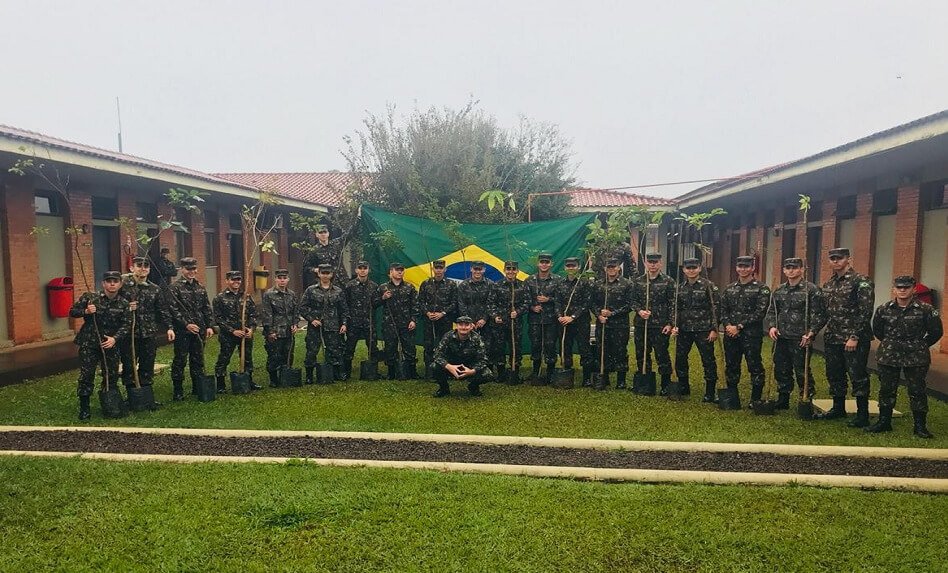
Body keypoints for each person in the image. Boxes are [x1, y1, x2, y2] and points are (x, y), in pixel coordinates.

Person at [867, 275, 943, 437]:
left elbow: (936, 332)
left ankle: (920, 426)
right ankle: (884, 422)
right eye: (899, 287)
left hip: (916, 356)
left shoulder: (926, 310)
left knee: (917, 391)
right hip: (889, 354)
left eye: (906, 287)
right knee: (887, 389)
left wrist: (920, 345)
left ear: (913, 289)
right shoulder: (883, 309)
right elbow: (878, 330)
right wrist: (891, 343)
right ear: (893, 289)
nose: (902, 290)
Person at [818, 247, 875, 425]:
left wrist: (855, 336)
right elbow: (824, 312)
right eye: (832, 258)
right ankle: (838, 408)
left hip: (853, 339)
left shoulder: (861, 281)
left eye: (840, 258)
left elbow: (866, 311)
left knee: (857, 375)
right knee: (835, 374)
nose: (836, 261)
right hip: (833, 337)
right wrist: (813, 330)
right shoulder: (829, 284)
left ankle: (862, 414)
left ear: (848, 259)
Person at [764, 257, 826, 409]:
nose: (791, 270)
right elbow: (772, 311)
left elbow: (819, 314)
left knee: (802, 370)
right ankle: (783, 398)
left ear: (802, 269)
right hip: (781, 337)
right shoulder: (779, 290)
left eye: (795, 267)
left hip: (800, 337)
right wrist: (772, 326)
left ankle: (805, 399)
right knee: (781, 368)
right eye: (788, 268)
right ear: (784, 270)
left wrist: (811, 332)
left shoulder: (811, 290)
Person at [70, 271, 130, 420]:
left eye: (115, 281)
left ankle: (110, 404)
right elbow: (72, 311)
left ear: (120, 284)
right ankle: (85, 408)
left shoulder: (124, 303)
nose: (112, 284)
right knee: (87, 375)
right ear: (103, 283)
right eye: (108, 281)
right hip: (89, 343)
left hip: (110, 344)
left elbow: (126, 324)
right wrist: (86, 311)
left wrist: (115, 339)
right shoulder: (90, 298)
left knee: (111, 375)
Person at [119, 257, 174, 405]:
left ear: (149, 269)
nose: (143, 269)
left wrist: (169, 327)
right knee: (129, 364)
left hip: (148, 333)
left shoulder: (154, 289)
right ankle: (132, 397)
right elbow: (112, 302)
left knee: (147, 363)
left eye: (146, 266)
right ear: (132, 268)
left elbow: (162, 309)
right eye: (139, 266)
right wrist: (127, 308)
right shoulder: (123, 286)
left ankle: (147, 396)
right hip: (129, 333)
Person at [719, 255, 770, 403]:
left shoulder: (761, 288)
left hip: (751, 335)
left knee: (754, 365)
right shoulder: (729, 289)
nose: (743, 269)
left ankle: (755, 399)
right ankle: (732, 397)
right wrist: (728, 326)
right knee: (731, 365)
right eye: (740, 266)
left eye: (746, 266)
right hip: (731, 334)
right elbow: (723, 310)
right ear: (736, 268)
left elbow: (760, 312)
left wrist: (739, 326)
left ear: (753, 268)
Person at [671, 257, 720, 401]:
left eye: (694, 267)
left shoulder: (709, 286)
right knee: (680, 359)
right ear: (684, 270)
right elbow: (676, 308)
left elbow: (716, 308)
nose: (691, 270)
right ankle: (683, 387)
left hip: (703, 329)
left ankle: (710, 392)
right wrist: (675, 325)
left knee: (708, 360)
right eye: (688, 268)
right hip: (684, 329)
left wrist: (714, 329)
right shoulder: (680, 287)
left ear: (700, 268)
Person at [168, 257, 215, 400]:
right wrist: (186, 324)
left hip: (199, 329)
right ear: (182, 269)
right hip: (183, 331)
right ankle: (178, 390)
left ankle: (197, 386)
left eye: (194, 269)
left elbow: (206, 308)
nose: (192, 272)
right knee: (180, 360)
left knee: (198, 359)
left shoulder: (200, 287)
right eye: (189, 269)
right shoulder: (175, 288)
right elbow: (173, 310)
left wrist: (209, 326)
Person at [630, 252, 676, 395]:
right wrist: (639, 311)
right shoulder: (638, 281)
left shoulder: (668, 281)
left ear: (660, 263)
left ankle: (665, 385)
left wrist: (670, 323)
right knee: (641, 353)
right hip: (641, 324)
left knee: (661, 354)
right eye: (650, 262)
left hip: (660, 325)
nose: (653, 265)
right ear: (645, 263)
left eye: (655, 262)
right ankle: (645, 381)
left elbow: (673, 304)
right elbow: (632, 300)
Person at [588, 257, 632, 390]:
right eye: (609, 267)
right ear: (604, 268)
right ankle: (604, 377)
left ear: (619, 267)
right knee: (602, 350)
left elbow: (630, 305)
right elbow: (592, 303)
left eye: (614, 266)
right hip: (602, 323)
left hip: (620, 324)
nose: (611, 269)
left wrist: (612, 313)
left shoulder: (627, 284)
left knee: (620, 351)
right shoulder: (598, 284)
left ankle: (621, 380)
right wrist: (599, 314)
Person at [301, 264, 350, 383]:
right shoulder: (311, 290)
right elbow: (302, 307)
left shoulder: (338, 291)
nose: (325, 275)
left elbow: (344, 309)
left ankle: (335, 374)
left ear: (332, 274)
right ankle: (309, 376)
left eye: (328, 273)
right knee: (312, 351)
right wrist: (312, 319)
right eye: (323, 273)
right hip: (315, 327)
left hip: (333, 326)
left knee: (335, 350)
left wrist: (344, 324)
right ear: (319, 274)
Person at [213, 270, 260, 392]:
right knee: (224, 358)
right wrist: (232, 331)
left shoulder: (246, 297)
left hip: (245, 334)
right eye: (233, 279)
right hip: (228, 335)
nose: (236, 282)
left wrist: (251, 328)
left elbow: (254, 314)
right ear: (227, 281)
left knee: (247, 358)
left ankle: (248, 381)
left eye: (238, 279)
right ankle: (221, 384)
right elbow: (218, 319)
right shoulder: (220, 298)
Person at [430, 316, 495, 397]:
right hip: (452, 365)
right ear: (456, 326)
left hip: (469, 366)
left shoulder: (477, 338)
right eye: (461, 325)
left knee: (487, 374)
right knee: (434, 366)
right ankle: (444, 388)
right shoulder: (448, 336)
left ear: (471, 327)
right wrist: (449, 366)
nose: (463, 327)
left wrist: (472, 371)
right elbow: (437, 354)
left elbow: (483, 359)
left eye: (467, 325)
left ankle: (473, 387)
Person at [555, 257, 594, 386]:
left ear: (578, 267)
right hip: (564, 323)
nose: (571, 268)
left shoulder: (584, 283)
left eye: (573, 266)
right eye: (568, 266)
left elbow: (586, 303)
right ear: (565, 268)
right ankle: (566, 375)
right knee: (565, 348)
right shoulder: (560, 283)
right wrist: (560, 316)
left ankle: (587, 378)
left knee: (584, 349)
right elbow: (557, 302)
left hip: (581, 322)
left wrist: (572, 317)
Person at [259, 269, 300, 387]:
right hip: (275, 331)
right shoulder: (269, 294)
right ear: (275, 279)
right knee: (274, 355)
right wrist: (270, 331)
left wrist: (295, 324)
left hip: (288, 331)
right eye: (280, 278)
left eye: (284, 278)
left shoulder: (291, 294)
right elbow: (267, 314)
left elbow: (295, 312)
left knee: (288, 354)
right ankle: (273, 379)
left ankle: (285, 377)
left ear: (288, 279)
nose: (282, 280)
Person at [377, 262, 418, 379]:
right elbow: (373, 303)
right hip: (389, 323)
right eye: (397, 270)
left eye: (401, 270)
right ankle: (391, 373)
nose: (400, 272)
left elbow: (415, 305)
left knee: (409, 347)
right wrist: (383, 298)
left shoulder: (409, 287)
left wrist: (413, 320)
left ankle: (412, 372)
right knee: (390, 348)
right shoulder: (383, 287)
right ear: (390, 272)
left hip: (406, 323)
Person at [491, 261, 529, 383]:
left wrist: (518, 312)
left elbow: (527, 303)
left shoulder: (523, 286)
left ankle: (515, 372)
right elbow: (490, 303)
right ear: (504, 270)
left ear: (517, 271)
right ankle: (501, 373)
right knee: (499, 348)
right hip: (500, 322)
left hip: (515, 322)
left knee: (516, 348)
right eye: (508, 269)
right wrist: (495, 316)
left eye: (513, 269)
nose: (511, 271)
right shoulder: (496, 285)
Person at [418, 259, 458, 376]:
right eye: (437, 268)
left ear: (445, 269)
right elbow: (420, 301)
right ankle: (430, 371)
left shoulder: (451, 284)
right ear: (433, 269)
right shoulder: (426, 284)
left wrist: (443, 313)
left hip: (445, 320)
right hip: (429, 320)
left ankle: (445, 370)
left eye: (441, 268)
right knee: (429, 345)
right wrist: (427, 313)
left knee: (445, 344)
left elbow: (454, 302)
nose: (439, 270)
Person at [525, 253, 561, 384]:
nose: (544, 264)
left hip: (551, 319)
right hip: (535, 319)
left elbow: (561, 299)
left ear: (551, 264)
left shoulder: (558, 280)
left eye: (547, 262)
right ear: (538, 264)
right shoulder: (530, 280)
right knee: (535, 345)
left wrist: (548, 299)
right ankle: (536, 372)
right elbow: (524, 299)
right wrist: (532, 307)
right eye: (542, 262)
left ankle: (550, 373)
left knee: (550, 346)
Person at [343, 260, 380, 380]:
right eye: (360, 268)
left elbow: (376, 304)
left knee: (373, 347)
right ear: (356, 270)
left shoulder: (374, 286)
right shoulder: (349, 285)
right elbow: (345, 305)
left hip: (369, 322)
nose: (363, 270)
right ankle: (346, 373)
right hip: (354, 322)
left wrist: (383, 298)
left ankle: (373, 372)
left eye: (365, 268)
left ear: (369, 270)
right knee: (349, 348)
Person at [457, 260, 495, 371]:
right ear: (471, 269)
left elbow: (491, 303)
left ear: (484, 270)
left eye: (480, 269)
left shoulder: (490, 284)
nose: (477, 271)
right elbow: (461, 304)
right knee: (468, 346)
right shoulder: (463, 285)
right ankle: (468, 368)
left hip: (486, 322)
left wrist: (484, 319)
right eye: (475, 269)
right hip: (469, 324)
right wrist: (469, 322)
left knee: (487, 345)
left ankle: (487, 369)